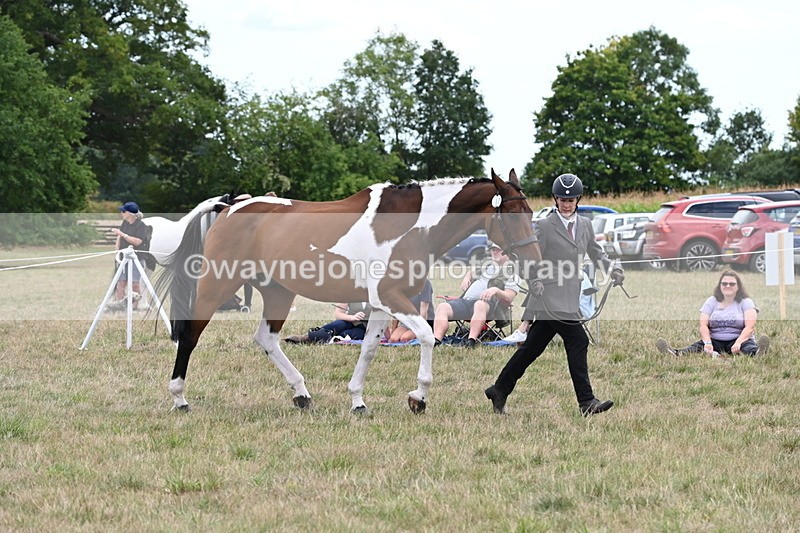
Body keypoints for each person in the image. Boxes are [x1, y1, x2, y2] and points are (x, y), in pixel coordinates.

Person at [485, 173, 624, 416]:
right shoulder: (545, 226)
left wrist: (612, 269)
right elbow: (528, 258)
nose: (566, 203)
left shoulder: (586, 225)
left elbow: (595, 252)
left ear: (578, 200)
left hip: (569, 294)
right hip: (549, 294)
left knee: (531, 348)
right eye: (562, 199)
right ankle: (587, 402)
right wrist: (535, 279)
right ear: (555, 199)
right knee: (578, 340)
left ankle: (499, 389)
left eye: (571, 200)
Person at [656, 270, 770, 358]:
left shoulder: (746, 302)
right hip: (715, 340)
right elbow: (703, 325)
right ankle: (674, 353)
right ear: (720, 285)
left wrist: (738, 343)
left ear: (738, 286)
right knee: (695, 348)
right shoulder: (711, 301)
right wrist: (707, 343)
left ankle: (758, 353)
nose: (728, 286)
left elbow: (750, 327)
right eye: (724, 283)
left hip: (740, 339)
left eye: (732, 284)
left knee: (748, 347)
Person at [433, 242, 521, 348]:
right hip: (466, 302)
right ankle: (436, 340)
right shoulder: (487, 265)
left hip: (490, 307)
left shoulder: (513, 273)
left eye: (498, 249)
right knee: (443, 307)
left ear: (508, 254)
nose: (494, 251)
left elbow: (509, 296)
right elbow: (471, 272)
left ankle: (471, 341)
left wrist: (496, 290)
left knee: (480, 304)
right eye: (493, 249)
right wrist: (466, 279)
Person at [107, 201, 151, 311]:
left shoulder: (141, 226)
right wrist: (116, 253)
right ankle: (120, 306)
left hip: (136, 258)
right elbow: (119, 238)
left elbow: (138, 242)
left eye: (123, 211)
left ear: (130, 213)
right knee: (120, 283)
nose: (121, 213)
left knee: (135, 283)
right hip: (123, 258)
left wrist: (122, 234)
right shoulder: (125, 223)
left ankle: (134, 307)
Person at [284, 302, 371, 344]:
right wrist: (352, 317)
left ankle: (324, 339)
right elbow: (338, 313)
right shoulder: (350, 291)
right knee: (338, 324)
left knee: (346, 334)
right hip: (349, 320)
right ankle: (308, 337)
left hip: (366, 327)